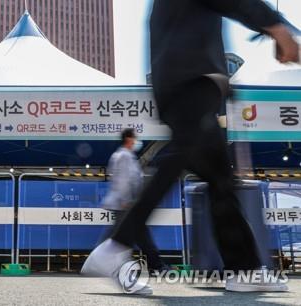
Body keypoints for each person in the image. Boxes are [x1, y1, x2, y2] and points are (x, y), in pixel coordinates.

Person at [82, 0, 299, 294]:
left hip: (184, 80)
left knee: (220, 180)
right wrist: (276, 26)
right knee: (180, 156)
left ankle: (244, 270)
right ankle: (116, 245)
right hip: (193, 80)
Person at [102, 129, 167, 273]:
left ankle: (155, 265)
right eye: (135, 138)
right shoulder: (124, 156)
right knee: (135, 234)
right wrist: (126, 200)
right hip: (125, 203)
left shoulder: (122, 155)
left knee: (132, 234)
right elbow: (124, 180)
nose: (137, 142)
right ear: (129, 139)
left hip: (126, 203)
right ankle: (156, 266)